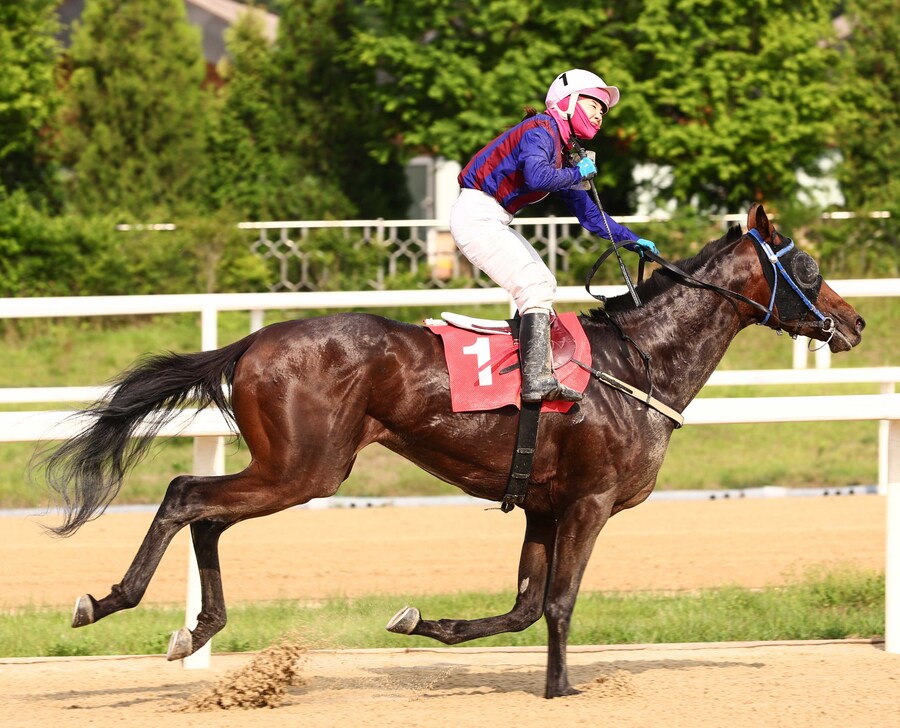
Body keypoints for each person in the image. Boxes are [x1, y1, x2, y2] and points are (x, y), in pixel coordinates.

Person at [450, 68, 658, 403]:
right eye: (595, 105)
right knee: (533, 286)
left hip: (493, 218)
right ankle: (536, 380)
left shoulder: (562, 149)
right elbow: (536, 177)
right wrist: (577, 171)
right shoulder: (541, 130)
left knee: (544, 283)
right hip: (477, 214)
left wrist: (630, 238)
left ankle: (522, 369)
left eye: (604, 110)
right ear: (568, 102)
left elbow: (589, 213)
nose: (599, 115)